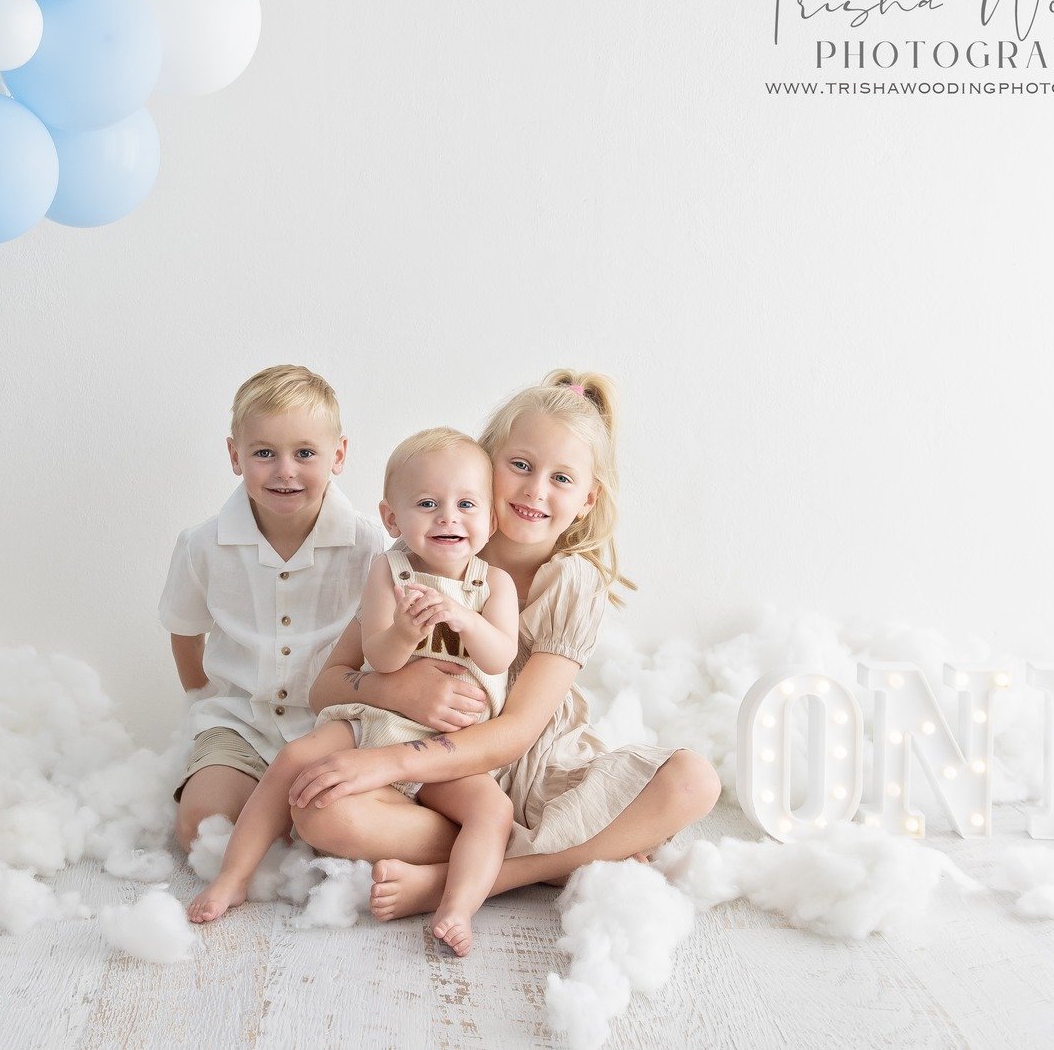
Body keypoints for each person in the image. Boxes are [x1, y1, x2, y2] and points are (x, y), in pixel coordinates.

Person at [285, 370, 723, 920]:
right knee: (318, 815)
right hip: (446, 786)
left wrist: (387, 764)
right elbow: (326, 685)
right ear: (485, 462)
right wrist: (397, 693)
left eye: (561, 478)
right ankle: (568, 853)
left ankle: (490, 879)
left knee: (693, 781)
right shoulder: (427, 556)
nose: (535, 490)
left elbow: (516, 733)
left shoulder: (571, 582)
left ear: (588, 499)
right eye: (520, 465)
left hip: (530, 772)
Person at [187, 429, 519, 955]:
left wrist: (463, 619)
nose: (448, 517)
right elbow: (381, 658)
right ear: (392, 519)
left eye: (466, 505)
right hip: (375, 723)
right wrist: (408, 631)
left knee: (493, 812)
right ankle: (233, 875)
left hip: (448, 745)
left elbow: (500, 656)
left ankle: (456, 905)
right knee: (296, 756)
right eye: (428, 504)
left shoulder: (493, 584)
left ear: (491, 519)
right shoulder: (390, 571)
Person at [160, 364, 389, 850]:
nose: (285, 471)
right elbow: (184, 629)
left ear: (339, 454)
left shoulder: (369, 544)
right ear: (235, 455)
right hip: (241, 721)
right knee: (202, 829)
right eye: (264, 453)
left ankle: (290, 817)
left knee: (331, 826)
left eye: (305, 453)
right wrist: (201, 699)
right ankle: (255, 801)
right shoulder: (203, 544)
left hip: (333, 725)